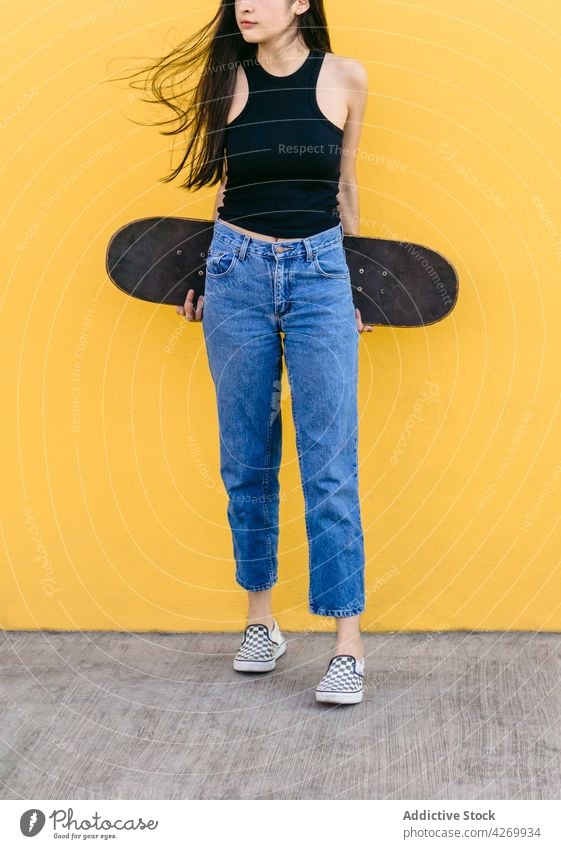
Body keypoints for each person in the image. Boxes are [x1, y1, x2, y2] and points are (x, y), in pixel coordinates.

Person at [120, 0, 372, 704]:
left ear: (301, 3)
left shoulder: (345, 77)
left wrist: (356, 287)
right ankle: (260, 621)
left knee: (329, 463)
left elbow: (346, 187)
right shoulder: (226, 79)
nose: (246, 5)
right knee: (246, 459)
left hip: (321, 273)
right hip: (236, 274)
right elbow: (228, 191)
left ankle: (347, 646)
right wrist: (205, 276)